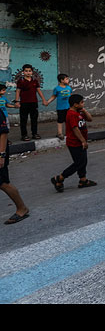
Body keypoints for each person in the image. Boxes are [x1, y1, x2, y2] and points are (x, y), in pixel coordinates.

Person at [50, 94, 96, 192]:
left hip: (80, 142)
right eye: (82, 103)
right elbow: (75, 129)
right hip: (74, 142)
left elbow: (90, 119)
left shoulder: (79, 112)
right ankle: (60, 178)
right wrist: (83, 141)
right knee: (79, 163)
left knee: (83, 161)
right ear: (75, 104)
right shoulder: (71, 114)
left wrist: (84, 110)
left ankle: (83, 180)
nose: (83, 104)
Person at [0, 88, 29, 224]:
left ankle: (21, 208)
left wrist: (1, 155)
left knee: (3, 183)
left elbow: (3, 133)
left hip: (0, 152)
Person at [15, 64, 47, 141]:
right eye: (26, 71)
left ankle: (34, 133)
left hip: (34, 102)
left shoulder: (35, 81)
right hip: (24, 103)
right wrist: (17, 101)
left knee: (34, 119)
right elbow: (18, 91)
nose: (28, 72)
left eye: (29, 71)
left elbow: (39, 91)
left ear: (32, 72)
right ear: (23, 72)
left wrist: (43, 99)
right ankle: (24, 135)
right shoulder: (21, 81)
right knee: (23, 120)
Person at [45, 73, 72, 139]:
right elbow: (53, 96)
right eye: (66, 79)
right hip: (60, 108)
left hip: (68, 107)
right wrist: (48, 102)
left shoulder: (69, 88)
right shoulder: (57, 89)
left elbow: (71, 96)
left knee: (68, 120)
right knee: (60, 120)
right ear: (62, 80)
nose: (68, 80)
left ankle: (68, 132)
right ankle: (59, 133)